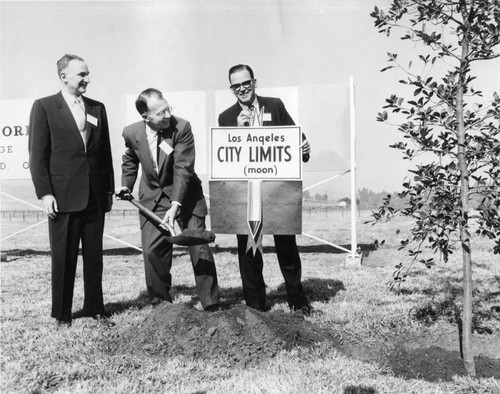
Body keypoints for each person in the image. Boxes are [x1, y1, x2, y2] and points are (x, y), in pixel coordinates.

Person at [218, 64, 314, 315]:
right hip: (246, 195)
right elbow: (226, 161)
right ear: (231, 88)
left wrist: (304, 150)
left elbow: (296, 140)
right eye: (236, 85)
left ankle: (298, 301)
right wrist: (237, 132)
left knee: (287, 246)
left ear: (254, 82)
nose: (242, 89)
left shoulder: (275, 106)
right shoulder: (226, 118)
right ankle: (255, 305)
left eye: (246, 83)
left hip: (277, 191)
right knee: (249, 250)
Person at [29, 54, 114, 327]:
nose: (87, 79)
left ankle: (95, 307)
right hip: (62, 197)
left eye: (88, 74)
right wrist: (45, 193)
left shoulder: (97, 108)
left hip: (95, 196)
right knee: (63, 258)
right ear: (64, 76)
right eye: (81, 74)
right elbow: (37, 156)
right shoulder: (44, 107)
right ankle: (62, 313)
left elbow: (104, 154)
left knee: (94, 257)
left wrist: (109, 191)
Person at [116, 88, 220, 311]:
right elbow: (130, 159)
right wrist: (126, 183)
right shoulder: (131, 132)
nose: (167, 115)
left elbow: (183, 168)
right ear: (146, 117)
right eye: (160, 113)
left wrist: (175, 205)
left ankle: (210, 304)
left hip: (187, 198)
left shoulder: (181, 127)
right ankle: (161, 307)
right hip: (152, 199)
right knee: (153, 252)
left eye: (167, 109)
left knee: (199, 247)